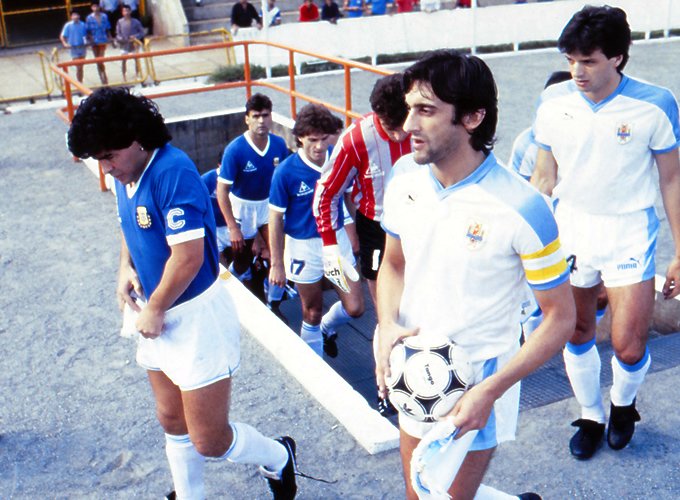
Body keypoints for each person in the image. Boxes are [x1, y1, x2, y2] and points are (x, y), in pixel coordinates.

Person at [67, 87, 297, 500]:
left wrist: (155, 308)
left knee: (209, 440)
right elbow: (129, 223)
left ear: (136, 138)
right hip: (156, 312)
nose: (105, 168)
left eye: (108, 156)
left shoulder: (172, 171)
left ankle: (279, 456)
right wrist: (126, 268)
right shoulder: (127, 170)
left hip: (193, 316)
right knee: (171, 419)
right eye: (98, 158)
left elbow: (188, 257)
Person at [374, 50, 575, 499]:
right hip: (414, 371)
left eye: (425, 111)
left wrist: (492, 390)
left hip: (476, 381)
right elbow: (393, 264)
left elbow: (559, 318)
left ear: (472, 117)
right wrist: (386, 323)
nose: (408, 125)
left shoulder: (524, 208)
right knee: (421, 496)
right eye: (410, 109)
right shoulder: (405, 181)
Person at [531, 5, 680, 461]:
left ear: (617, 57)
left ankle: (622, 405)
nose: (577, 70)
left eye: (589, 60)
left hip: (629, 232)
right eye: (571, 58)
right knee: (575, 332)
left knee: (627, 344)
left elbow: (672, 179)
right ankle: (591, 413)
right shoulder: (553, 105)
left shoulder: (655, 104)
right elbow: (542, 180)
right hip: (571, 230)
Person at [269, 104, 365, 356]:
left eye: (324, 139)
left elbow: (348, 198)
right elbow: (275, 220)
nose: (320, 146)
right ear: (300, 137)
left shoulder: (338, 158)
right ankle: (317, 363)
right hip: (304, 247)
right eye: (312, 140)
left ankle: (327, 327)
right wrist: (277, 263)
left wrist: (352, 232)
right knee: (311, 311)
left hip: (334, 244)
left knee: (355, 307)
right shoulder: (285, 172)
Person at [314, 73, 410, 312]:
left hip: (418, 221)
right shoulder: (356, 139)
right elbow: (326, 193)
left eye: (403, 126)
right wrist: (329, 245)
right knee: (386, 308)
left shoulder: (425, 127)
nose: (399, 135)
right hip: (376, 227)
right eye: (391, 128)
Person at [216, 94, 289, 290]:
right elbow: (222, 190)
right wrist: (232, 227)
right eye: (256, 116)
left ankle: (273, 301)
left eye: (265, 115)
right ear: (247, 119)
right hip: (242, 209)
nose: (261, 121)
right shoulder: (235, 149)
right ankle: (235, 279)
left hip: (268, 206)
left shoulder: (279, 145)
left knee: (278, 255)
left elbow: (283, 179)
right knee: (243, 260)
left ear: (271, 116)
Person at [115, 4, 145, 81]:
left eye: (128, 10)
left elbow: (142, 32)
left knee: (136, 60)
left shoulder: (136, 21)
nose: (126, 12)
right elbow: (117, 34)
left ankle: (138, 75)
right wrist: (122, 39)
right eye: (124, 11)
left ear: (130, 11)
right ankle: (124, 76)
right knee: (123, 61)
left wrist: (135, 37)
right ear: (122, 12)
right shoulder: (120, 22)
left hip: (134, 44)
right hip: (124, 45)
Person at [86, 1, 112, 85]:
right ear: (91, 8)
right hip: (94, 41)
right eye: (94, 7)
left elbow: (108, 28)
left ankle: (104, 75)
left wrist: (110, 38)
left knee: (101, 59)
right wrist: (90, 41)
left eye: (97, 6)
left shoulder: (104, 16)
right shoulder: (89, 18)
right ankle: (101, 76)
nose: (95, 8)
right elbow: (88, 31)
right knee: (97, 60)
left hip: (103, 40)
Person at [60, 11, 88, 84]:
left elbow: (87, 35)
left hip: (82, 47)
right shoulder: (68, 25)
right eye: (74, 15)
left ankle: (80, 82)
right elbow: (62, 36)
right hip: (73, 49)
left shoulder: (83, 25)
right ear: (71, 16)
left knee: (81, 67)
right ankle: (79, 83)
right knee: (78, 67)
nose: (75, 17)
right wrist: (65, 43)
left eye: (77, 15)